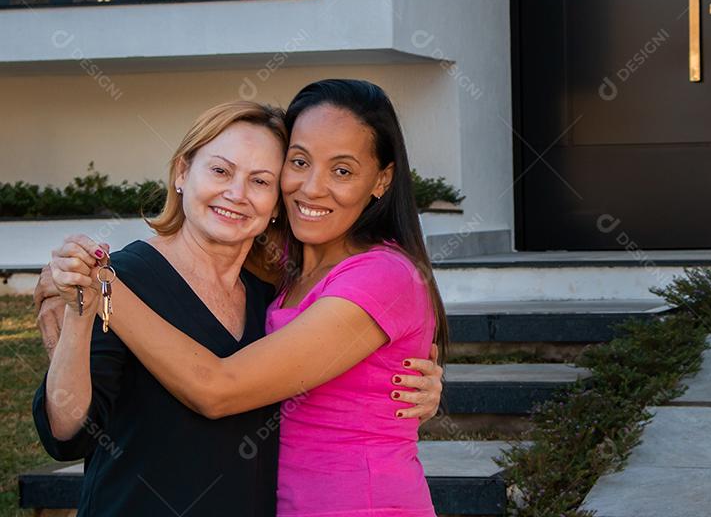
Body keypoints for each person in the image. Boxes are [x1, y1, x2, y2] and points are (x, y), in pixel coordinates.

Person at [48, 80, 449, 516]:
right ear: (183, 172)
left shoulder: (377, 276)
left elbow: (218, 388)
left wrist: (100, 286)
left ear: (382, 180)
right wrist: (62, 287)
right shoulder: (276, 278)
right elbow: (68, 426)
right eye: (299, 162)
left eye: (342, 170)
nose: (312, 188)